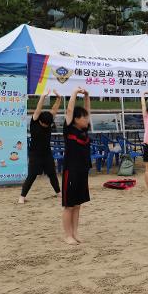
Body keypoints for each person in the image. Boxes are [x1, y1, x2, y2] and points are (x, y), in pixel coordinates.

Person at [19, 90, 62, 204]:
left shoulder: (48, 120)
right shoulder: (34, 122)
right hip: (35, 154)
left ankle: (58, 192)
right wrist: (43, 96)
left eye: (49, 124)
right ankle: (22, 197)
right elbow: (38, 108)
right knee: (32, 176)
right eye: (45, 124)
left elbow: (54, 109)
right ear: (40, 121)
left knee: (52, 173)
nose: (47, 126)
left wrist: (59, 98)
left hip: (47, 153)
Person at [62, 87, 91, 245]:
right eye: (84, 118)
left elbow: (87, 110)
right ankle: (67, 235)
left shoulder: (85, 130)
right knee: (69, 205)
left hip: (82, 171)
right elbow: (69, 109)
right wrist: (74, 93)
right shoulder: (69, 129)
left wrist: (86, 96)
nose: (87, 119)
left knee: (78, 205)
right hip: (70, 171)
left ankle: (75, 233)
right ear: (76, 119)